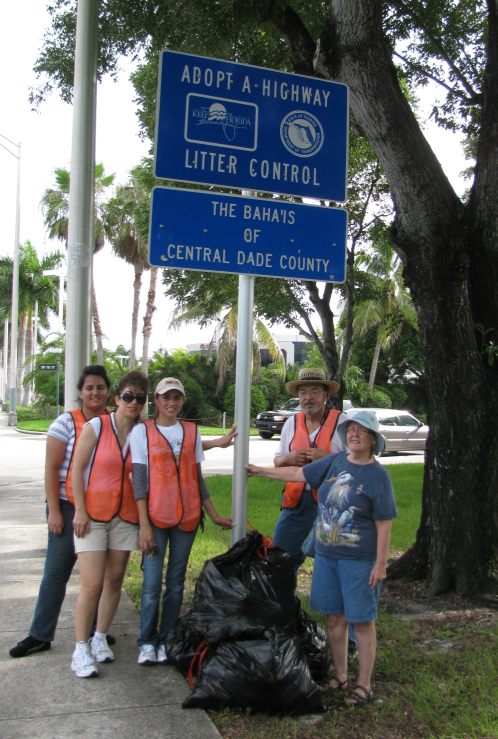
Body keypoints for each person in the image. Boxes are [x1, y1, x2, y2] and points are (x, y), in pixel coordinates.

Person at [247, 409, 397, 706]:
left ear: (372, 439)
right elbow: (298, 474)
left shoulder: (378, 476)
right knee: (334, 619)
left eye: (362, 431)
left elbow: (384, 523)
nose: (355, 434)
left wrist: (380, 564)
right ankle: (341, 677)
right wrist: (260, 471)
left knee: (362, 622)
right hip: (327, 558)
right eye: (351, 429)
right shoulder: (334, 462)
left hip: (360, 561)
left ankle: (364, 685)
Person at [9, 365, 112, 659]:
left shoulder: (114, 423)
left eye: (100, 388)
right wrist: (54, 511)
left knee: (98, 576)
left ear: (108, 393)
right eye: (89, 388)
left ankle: (96, 630)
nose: (95, 392)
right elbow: (51, 470)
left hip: (102, 510)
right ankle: (40, 633)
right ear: (80, 393)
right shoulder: (66, 423)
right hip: (67, 508)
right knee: (56, 573)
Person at [130, 376, 233, 666]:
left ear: (182, 400)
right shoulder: (142, 432)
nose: (171, 403)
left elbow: (196, 477)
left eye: (176, 397)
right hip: (156, 517)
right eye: (166, 397)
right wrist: (144, 525)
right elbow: (139, 480)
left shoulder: (191, 432)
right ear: (157, 400)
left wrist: (213, 514)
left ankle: (167, 639)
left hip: (187, 517)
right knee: (151, 584)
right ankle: (146, 641)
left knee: (175, 583)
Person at [70, 370, 148, 678]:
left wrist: (218, 442)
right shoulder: (96, 427)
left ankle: (100, 636)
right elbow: (76, 470)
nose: (133, 402)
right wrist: (79, 510)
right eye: (128, 396)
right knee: (91, 583)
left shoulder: (143, 432)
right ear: (116, 398)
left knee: (114, 579)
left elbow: (175, 445)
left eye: (140, 398)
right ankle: (80, 648)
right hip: (92, 516)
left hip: (125, 517)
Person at [272, 367, 344, 570]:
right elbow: (277, 463)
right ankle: (284, 601)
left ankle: (328, 599)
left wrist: (328, 458)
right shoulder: (290, 424)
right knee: (281, 557)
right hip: (295, 503)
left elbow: (359, 465)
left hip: (331, 504)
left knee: (330, 560)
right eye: (303, 392)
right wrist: (290, 457)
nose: (308, 397)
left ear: (326, 395)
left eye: (315, 391)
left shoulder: (343, 422)